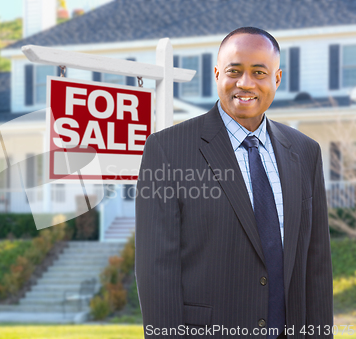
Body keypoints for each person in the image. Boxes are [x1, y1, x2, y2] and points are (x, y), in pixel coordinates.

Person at [135, 27, 333, 339]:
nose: (245, 83)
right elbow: (156, 270)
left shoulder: (306, 152)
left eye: (259, 72)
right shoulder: (168, 150)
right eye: (234, 71)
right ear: (217, 74)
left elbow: (317, 265)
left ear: (276, 79)